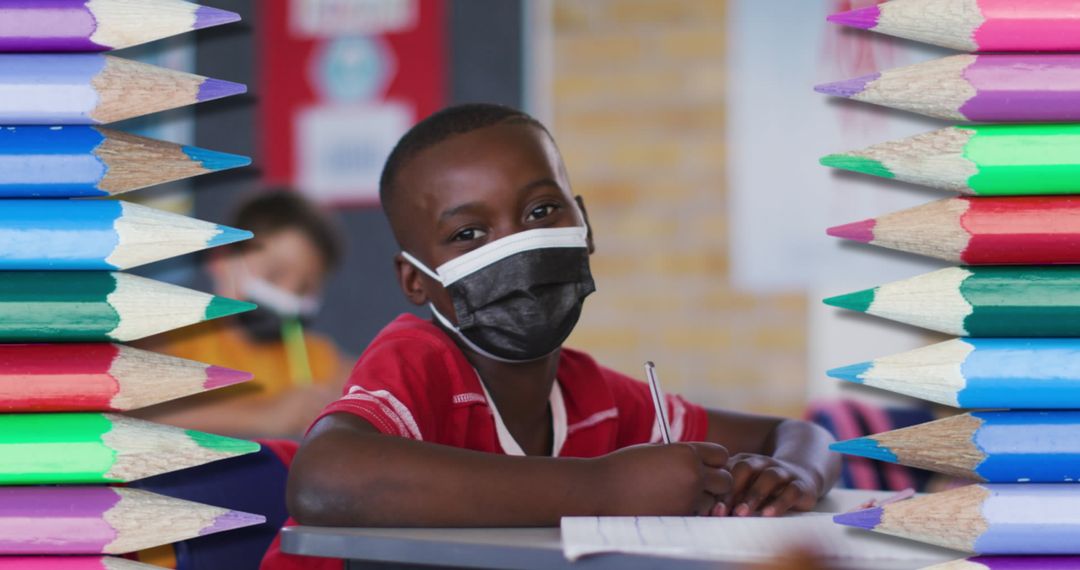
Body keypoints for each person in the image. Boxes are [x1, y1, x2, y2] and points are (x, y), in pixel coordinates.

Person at [263, 103, 840, 569]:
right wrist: (606, 488)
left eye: (541, 212)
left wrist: (797, 474)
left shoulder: (595, 396)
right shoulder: (420, 361)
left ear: (584, 227)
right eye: (469, 232)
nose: (518, 244)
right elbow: (322, 478)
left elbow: (791, 433)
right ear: (416, 279)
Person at [134, 191, 350, 439]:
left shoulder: (318, 361)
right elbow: (133, 410)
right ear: (223, 263)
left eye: (304, 288)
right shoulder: (171, 342)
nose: (288, 298)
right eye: (274, 274)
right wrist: (265, 416)